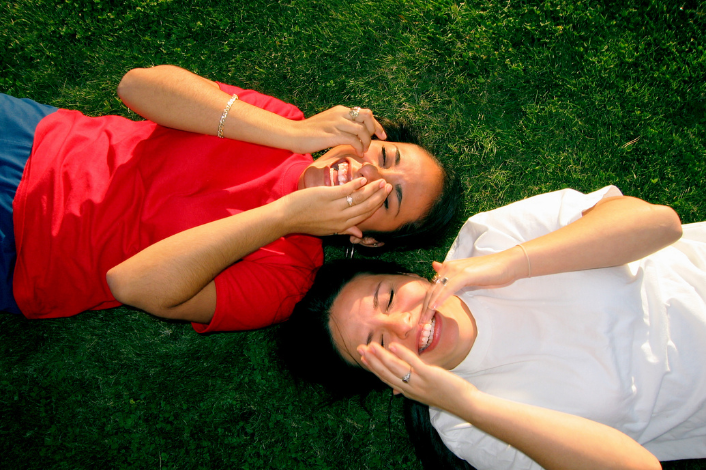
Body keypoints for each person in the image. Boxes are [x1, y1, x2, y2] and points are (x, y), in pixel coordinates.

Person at [0, 65, 458, 332]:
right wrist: (295, 132)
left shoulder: (285, 282)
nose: (369, 169)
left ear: (370, 240)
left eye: (387, 196)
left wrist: (282, 217)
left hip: (24, 255)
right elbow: (135, 86)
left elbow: (132, 285)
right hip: (34, 139)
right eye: (384, 153)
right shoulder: (284, 124)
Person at [280, 186, 706, 470]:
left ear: (410, 275)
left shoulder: (488, 237)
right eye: (377, 344)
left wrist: (512, 263)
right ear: (387, 378)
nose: (404, 324)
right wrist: (469, 404)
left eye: (388, 297)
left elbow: (660, 225)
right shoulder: (464, 428)